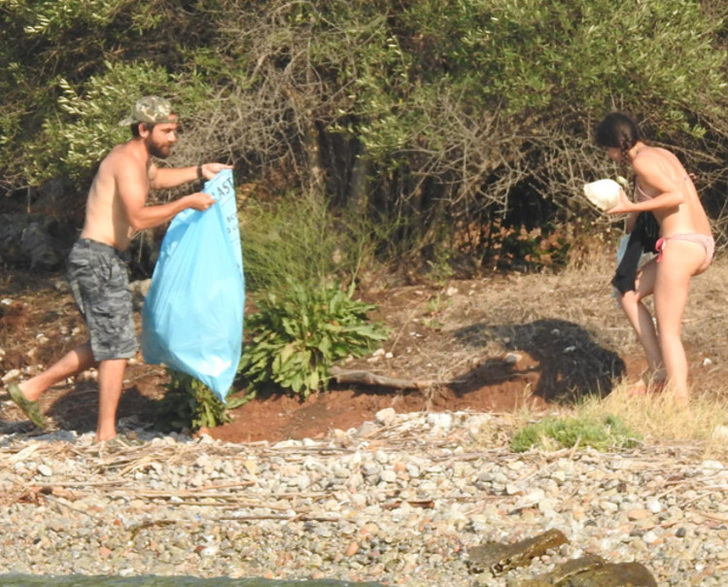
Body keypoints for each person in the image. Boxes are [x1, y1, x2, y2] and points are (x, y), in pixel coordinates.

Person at [6, 95, 232, 441]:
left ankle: (33, 388)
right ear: (144, 129)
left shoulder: (138, 160)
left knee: (111, 342)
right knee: (116, 346)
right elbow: (139, 218)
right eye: (167, 131)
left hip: (106, 260)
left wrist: (202, 172)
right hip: (96, 258)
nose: (173, 138)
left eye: (175, 130)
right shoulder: (127, 161)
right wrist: (187, 202)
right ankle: (105, 432)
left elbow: (155, 180)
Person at [595, 112, 714, 404]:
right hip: (701, 243)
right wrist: (633, 211)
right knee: (628, 293)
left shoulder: (641, 162)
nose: (609, 155)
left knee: (669, 330)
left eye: (607, 149)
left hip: (681, 245)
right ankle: (659, 372)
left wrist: (628, 205)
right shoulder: (661, 154)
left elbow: (675, 196)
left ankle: (680, 403)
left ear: (616, 143)